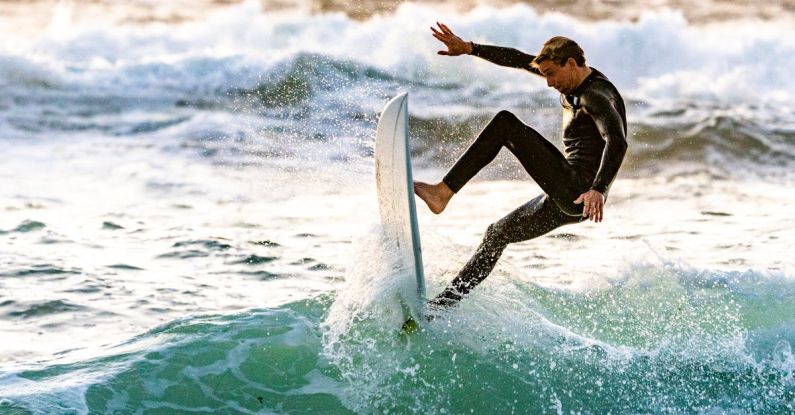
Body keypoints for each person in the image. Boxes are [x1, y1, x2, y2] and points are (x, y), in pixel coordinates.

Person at [415, 22, 628, 310]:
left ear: (571, 63)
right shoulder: (569, 80)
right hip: (567, 197)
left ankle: (442, 192)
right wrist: (469, 49)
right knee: (497, 234)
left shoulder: (596, 96)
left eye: (552, 74)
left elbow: (617, 140)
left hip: (579, 191)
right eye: (544, 75)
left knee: (505, 124)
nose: (549, 83)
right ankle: (440, 307)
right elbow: (516, 58)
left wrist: (598, 190)